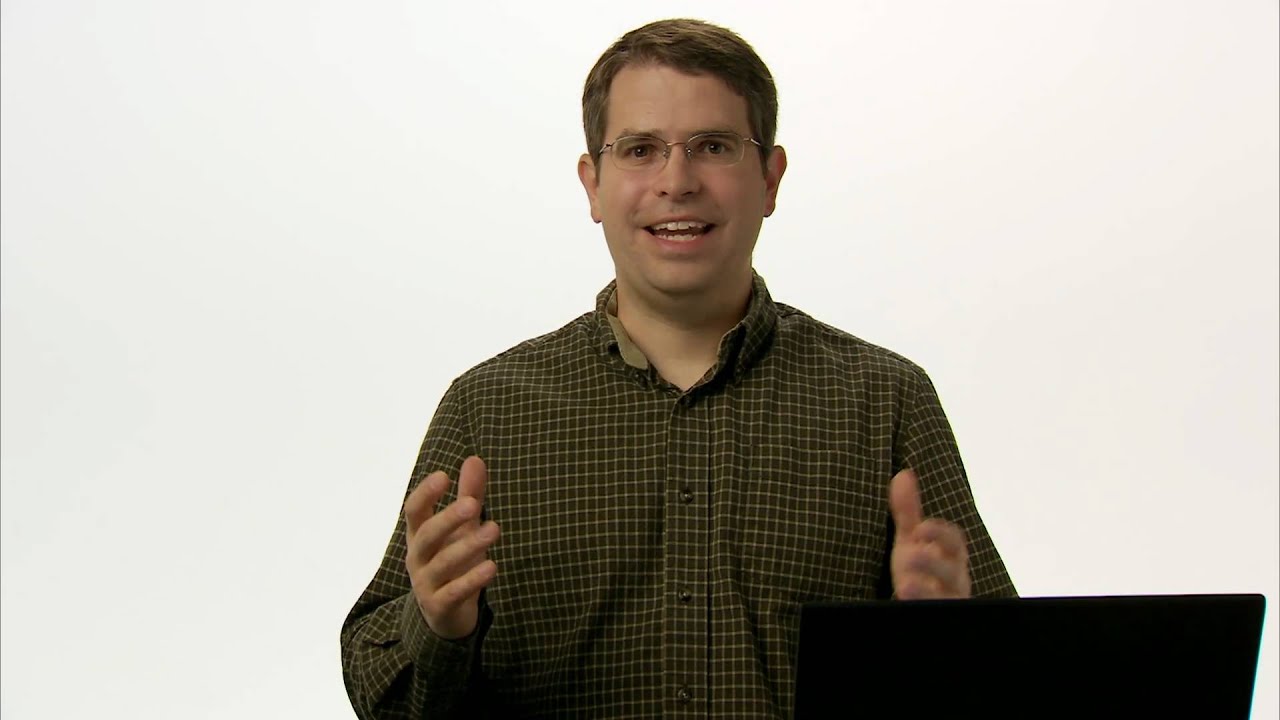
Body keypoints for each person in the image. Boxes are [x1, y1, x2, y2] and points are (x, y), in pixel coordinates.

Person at [340, 17, 1016, 719]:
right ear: (592, 184)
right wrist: (438, 625)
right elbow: (379, 690)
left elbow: (1012, 677)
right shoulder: (488, 409)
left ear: (770, 178)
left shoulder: (886, 399)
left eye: (713, 146)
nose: (677, 181)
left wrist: (944, 643)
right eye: (640, 150)